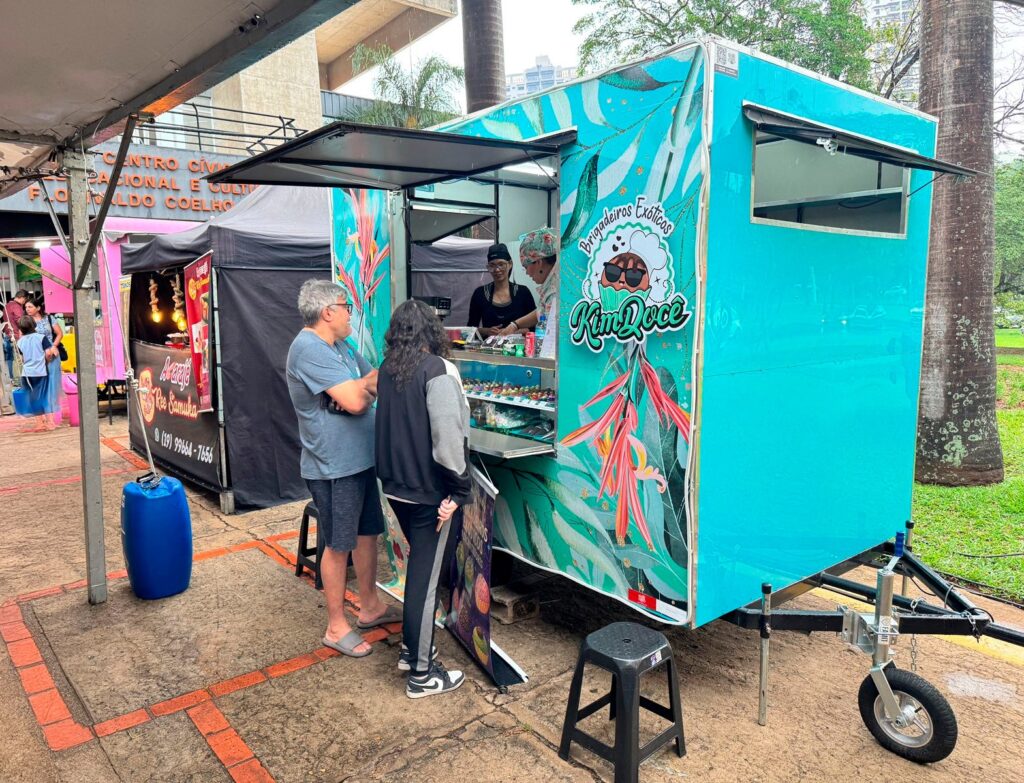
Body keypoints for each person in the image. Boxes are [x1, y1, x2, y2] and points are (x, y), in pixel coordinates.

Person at [286, 279, 398, 658]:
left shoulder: (342, 345)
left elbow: (378, 379)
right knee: (337, 544)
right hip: (334, 467)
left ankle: (370, 606)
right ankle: (336, 626)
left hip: (361, 459)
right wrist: (357, 389)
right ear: (327, 312)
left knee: (367, 534)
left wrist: (359, 386)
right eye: (346, 305)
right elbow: (355, 401)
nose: (351, 311)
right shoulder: (307, 348)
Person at [376, 299, 473, 698]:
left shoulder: (388, 369)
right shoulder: (437, 372)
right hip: (430, 493)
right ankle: (421, 672)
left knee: (420, 570)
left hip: (397, 489)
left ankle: (409, 651)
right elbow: (447, 441)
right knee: (425, 579)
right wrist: (459, 490)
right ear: (432, 332)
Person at [497, 227, 560, 355]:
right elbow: (541, 311)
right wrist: (515, 325)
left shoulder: (556, 291)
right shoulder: (553, 283)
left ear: (539, 262)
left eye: (526, 266)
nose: (526, 272)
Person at [466, 243, 536, 337]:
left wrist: (512, 330)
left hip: (518, 349)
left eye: (501, 264)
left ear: (510, 264)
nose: (497, 270)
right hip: (489, 349)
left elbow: (535, 326)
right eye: (492, 265)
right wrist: (487, 331)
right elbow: (470, 329)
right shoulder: (480, 294)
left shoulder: (523, 292)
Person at [24, 298, 64, 424]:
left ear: (38, 308)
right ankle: (40, 420)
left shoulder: (49, 319)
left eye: (30, 307)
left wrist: (53, 346)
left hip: (52, 355)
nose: (27, 309)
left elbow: (59, 333)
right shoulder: (26, 321)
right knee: (38, 386)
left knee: (51, 385)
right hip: (36, 357)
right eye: (26, 307)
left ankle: (51, 418)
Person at [16, 315, 54, 431]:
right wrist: (46, 362)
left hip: (27, 374)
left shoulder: (20, 342)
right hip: (41, 372)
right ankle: (50, 423)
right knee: (44, 396)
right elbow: (48, 353)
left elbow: (22, 359)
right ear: (34, 325)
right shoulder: (41, 338)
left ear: (21, 329)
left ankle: (40, 423)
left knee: (33, 398)